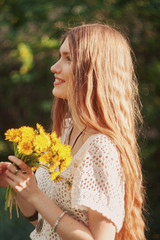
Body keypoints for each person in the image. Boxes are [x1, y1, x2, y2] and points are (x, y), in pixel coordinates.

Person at [0, 23, 146, 240]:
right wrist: (22, 186)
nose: (54, 67)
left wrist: (36, 195)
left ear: (93, 70)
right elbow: (43, 225)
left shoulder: (100, 148)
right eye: (60, 56)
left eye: (68, 59)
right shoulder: (67, 131)